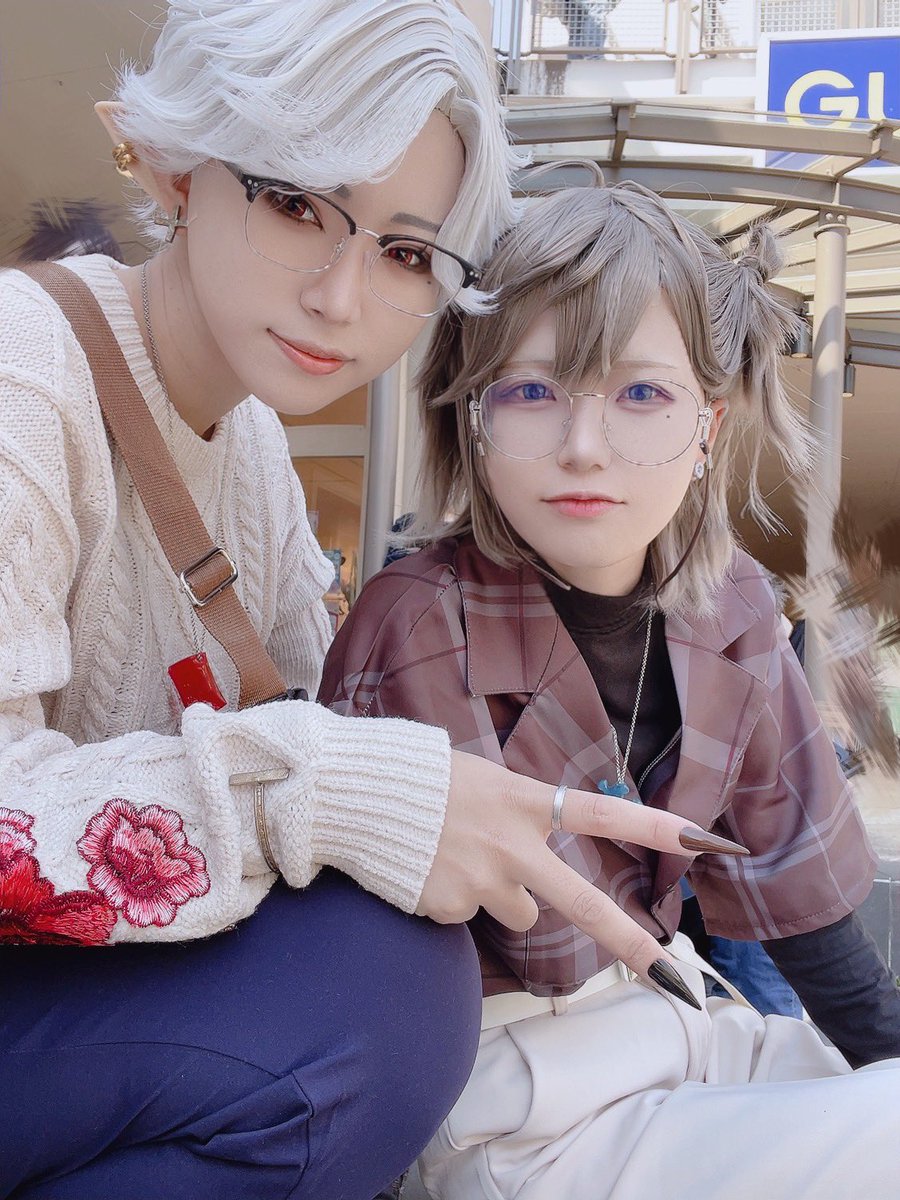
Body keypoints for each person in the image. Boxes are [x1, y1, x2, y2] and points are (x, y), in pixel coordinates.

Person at [0, 7, 735, 1198]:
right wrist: (336, 794)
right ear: (181, 169)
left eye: (404, 254)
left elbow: (309, 731)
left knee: (385, 977)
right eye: (296, 204)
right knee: (369, 1003)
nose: (342, 297)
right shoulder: (22, 375)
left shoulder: (250, 452)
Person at [319, 172, 900, 1200]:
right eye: (531, 392)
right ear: (473, 418)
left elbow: (806, 908)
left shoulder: (736, 607)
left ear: (707, 424)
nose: (584, 448)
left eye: (641, 395)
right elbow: (350, 956)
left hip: (687, 1025)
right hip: (502, 1089)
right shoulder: (417, 619)